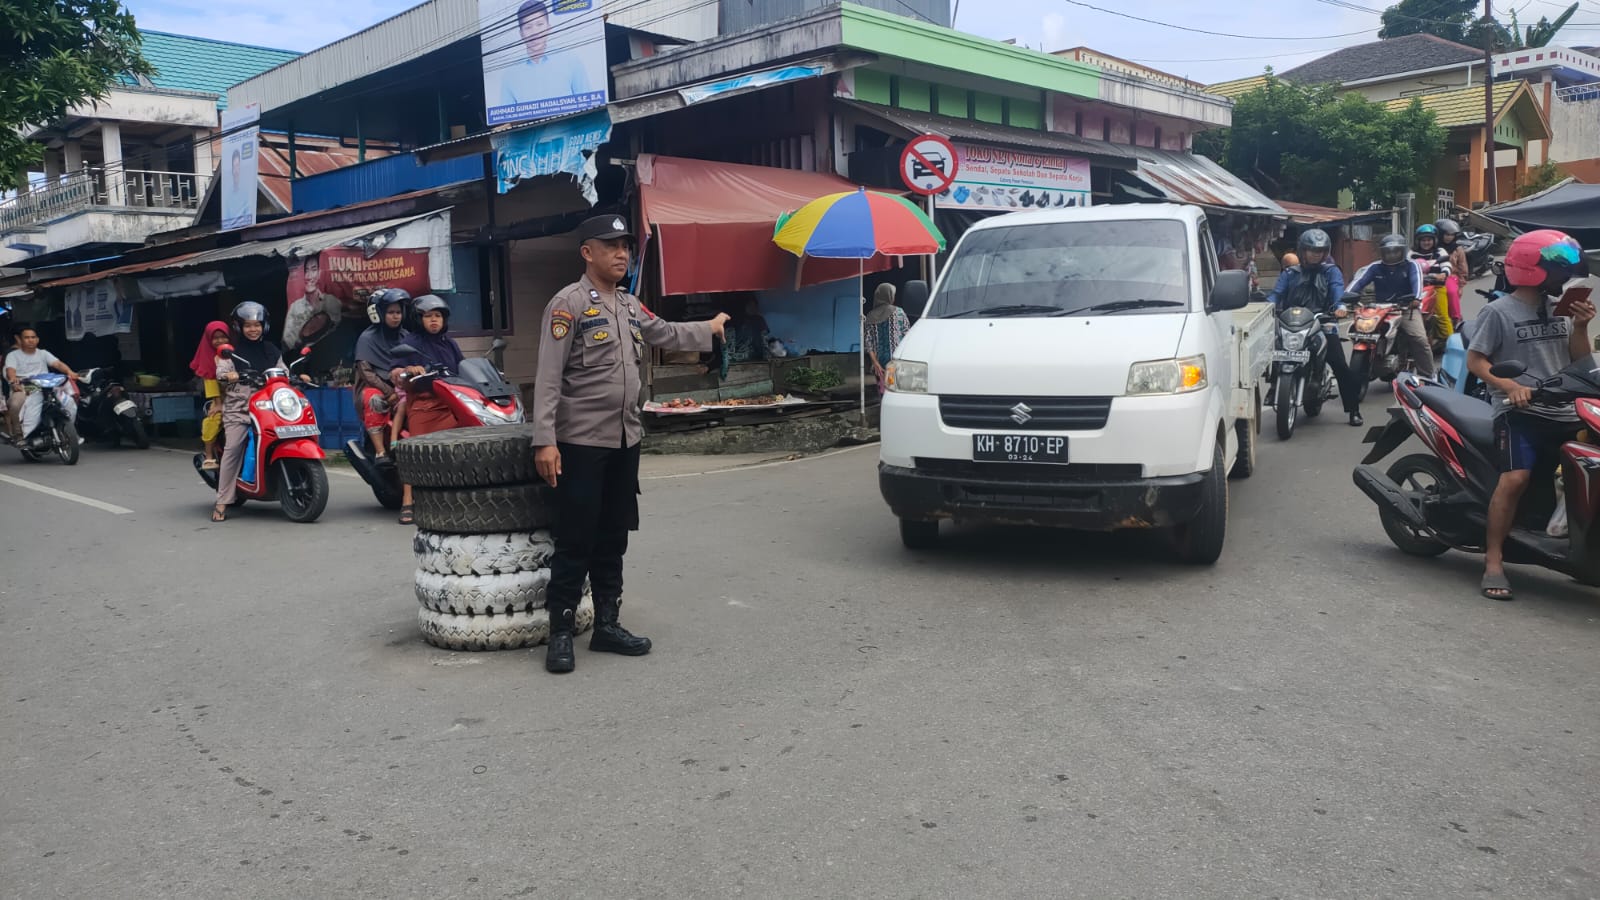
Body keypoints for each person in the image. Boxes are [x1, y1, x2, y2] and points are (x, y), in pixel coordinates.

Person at [533, 214, 730, 674]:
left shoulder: (628, 305)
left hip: (625, 439)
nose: (621, 253)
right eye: (610, 245)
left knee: (613, 535)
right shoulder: (568, 305)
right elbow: (547, 378)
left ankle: (607, 625)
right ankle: (560, 633)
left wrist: (709, 328)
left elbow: (666, 332)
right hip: (580, 443)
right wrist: (545, 441)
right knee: (575, 538)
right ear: (587, 252)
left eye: (625, 245)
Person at [1467, 230, 1594, 601]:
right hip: (1518, 411)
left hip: (1565, 408)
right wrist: (1508, 387)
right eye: (1556, 273)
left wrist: (1582, 325)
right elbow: (1476, 361)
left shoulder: (1562, 308)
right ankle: (1493, 560)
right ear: (1531, 271)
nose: (1562, 281)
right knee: (1515, 479)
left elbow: (1579, 361)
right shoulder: (1498, 311)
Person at [1265, 229, 1364, 427]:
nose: (1316, 254)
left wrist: (1340, 307)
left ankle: (1353, 409)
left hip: (1323, 321)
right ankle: (1275, 384)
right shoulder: (1290, 273)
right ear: (1303, 250)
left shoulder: (1331, 271)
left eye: (1320, 251)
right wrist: (1265, 307)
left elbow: (1337, 290)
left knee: (1340, 365)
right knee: (1275, 353)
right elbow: (1276, 294)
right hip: (1292, 322)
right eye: (1312, 250)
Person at [393, 294, 466, 525]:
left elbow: (463, 367)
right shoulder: (411, 343)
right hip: (423, 404)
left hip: (451, 403)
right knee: (416, 451)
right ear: (418, 319)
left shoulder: (450, 343)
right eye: (428, 316)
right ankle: (407, 500)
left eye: (438, 316)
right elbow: (394, 372)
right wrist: (408, 369)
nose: (434, 321)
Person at [211, 302, 287, 523]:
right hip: (240, 409)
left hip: (270, 407)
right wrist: (228, 375)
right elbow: (222, 371)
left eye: (257, 325)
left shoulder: (271, 350)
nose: (253, 330)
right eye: (248, 326)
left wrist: (294, 376)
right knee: (233, 447)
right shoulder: (231, 353)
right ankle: (222, 501)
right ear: (239, 327)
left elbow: (282, 369)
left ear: (264, 326)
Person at [1345, 234, 1435, 378]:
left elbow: (1416, 282)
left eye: (1395, 251)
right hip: (1380, 309)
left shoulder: (1412, 265)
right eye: (1388, 251)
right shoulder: (1374, 267)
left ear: (1402, 251)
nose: (1392, 254)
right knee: (1361, 332)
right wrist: (1347, 296)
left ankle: (1429, 376)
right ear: (1382, 252)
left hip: (1405, 309)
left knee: (1419, 339)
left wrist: (1416, 298)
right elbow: (1359, 282)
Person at [352, 288, 413, 462]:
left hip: (403, 388)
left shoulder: (406, 336)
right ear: (378, 313)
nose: (396, 316)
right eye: (391, 312)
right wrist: (389, 391)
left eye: (398, 312)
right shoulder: (367, 338)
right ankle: (380, 452)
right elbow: (366, 372)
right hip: (375, 389)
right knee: (375, 399)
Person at [497, 0, 592, 110]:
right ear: (521, 34)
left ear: (548, 28)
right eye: (528, 27)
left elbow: (588, 105)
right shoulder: (510, 74)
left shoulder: (571, 60)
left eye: (539, 24)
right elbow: (506, 119)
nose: (535, 32)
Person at [4, 326, 80, 444]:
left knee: (69, 402)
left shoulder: (43, 353)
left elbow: (58, 364)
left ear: (37, 340)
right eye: (27, 337)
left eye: (33, 337)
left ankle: (70, 432)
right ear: (20, 340)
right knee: (15, 404)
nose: (30, 340)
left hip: (46, 386)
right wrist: (14, 381)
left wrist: (69, 372)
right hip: (25, 387)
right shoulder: (13, 355)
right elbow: (10, 371)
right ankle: (20, 436)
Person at [190, 321, 231, 470]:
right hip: (219, 398)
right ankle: (209, 457)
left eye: (223, 337)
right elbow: (211, 384)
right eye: (216, 338)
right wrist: (219, 404)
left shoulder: (233, 353)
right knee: (212, 422)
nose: (220, 341)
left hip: (239, 396)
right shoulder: (208, 358)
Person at [864, 283, 912, 393]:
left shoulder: (870, 316)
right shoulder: (899, 312)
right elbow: (907, 335)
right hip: (897, 361)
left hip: (879, 364)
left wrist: (875, 362)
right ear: (889, 296)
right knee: (898, 392)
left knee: (884, 392)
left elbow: (868, 342)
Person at [1412, 224, 1454, 341]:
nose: (1426, 242)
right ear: (1418, 241)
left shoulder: (1440, 252)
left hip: (1436, 287)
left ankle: (1452, 343)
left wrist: (1443, 274)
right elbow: (1406, 267)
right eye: (1423, 240)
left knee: (1441, 316)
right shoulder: (1411, 253)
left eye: (1429, 240)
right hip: (1416, 289)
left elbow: (1447, 265)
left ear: (1434, 240)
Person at [1434, 218, 1468, 324]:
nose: (1449, 237)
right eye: (1446, 234)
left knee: (1451, 292)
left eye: (1451, 235)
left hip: (1451, 277)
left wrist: (1461, 286)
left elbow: (1463, 269)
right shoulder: (1433, 247)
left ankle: (1455, 319)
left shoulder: (1457, 249)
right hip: (1432, 276)